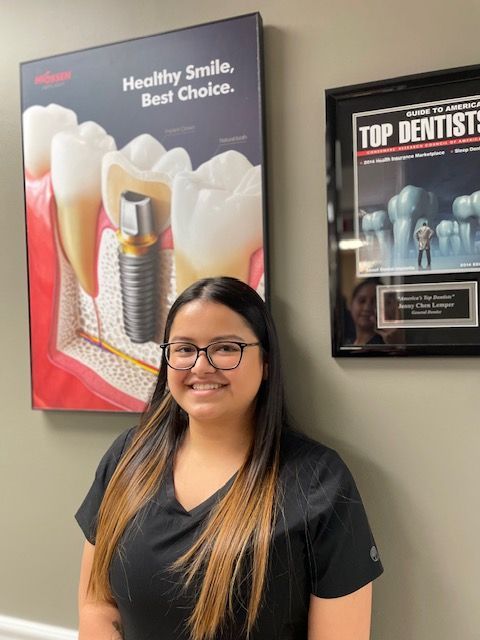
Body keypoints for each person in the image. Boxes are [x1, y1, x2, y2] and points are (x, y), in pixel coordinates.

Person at [76, 276, 383, 640]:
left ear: (266, 363)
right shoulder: (128, 457)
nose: (201, 366)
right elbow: (97, 604)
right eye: (184, 349)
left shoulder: (319, 481)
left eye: (225, 348)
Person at [347, 279, 385, 346]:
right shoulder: (347, 343)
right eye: (362, 301)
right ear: (350, 304)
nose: (367, 308)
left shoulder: (385, 346)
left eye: (374, 302)